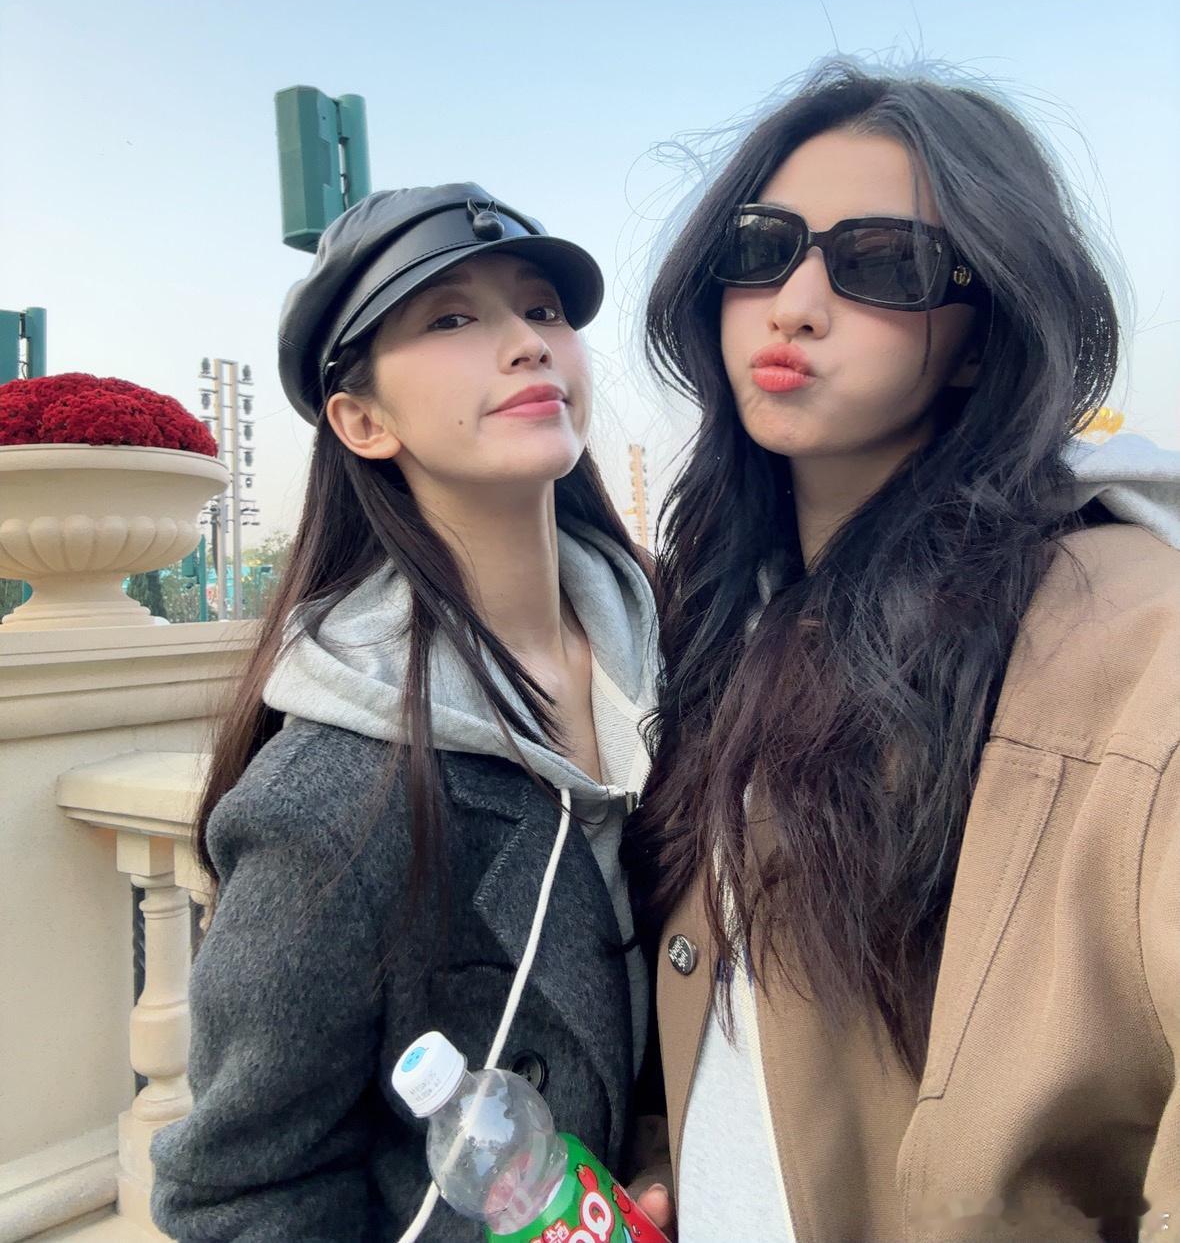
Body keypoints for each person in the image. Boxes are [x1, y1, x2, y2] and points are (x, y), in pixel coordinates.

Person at [622, 63, 1180, 1242]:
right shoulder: (715, 622)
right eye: (760, 248)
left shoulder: (1130, 640)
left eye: (883, 264)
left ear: (982, 339)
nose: (793, 303)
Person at [151, 184, 658, 1242]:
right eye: (453, 318)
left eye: (543, 310)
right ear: (363, 420)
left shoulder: (682, 657)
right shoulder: (332, 799)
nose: (527, 343)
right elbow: (237, 1196)